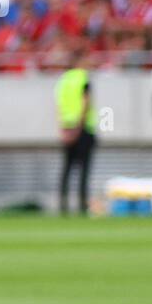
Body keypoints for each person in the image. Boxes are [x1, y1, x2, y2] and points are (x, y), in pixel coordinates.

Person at [55, 51, 96, 215]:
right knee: (84, 170)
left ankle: (63, 206)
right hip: (82, 128)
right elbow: (86, 103)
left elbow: (59, 106)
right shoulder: (83, 78)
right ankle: (82, 206)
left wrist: (64, 129)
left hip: (67, 128)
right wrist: (79, 128)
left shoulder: (63, 81)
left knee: (67, 169)